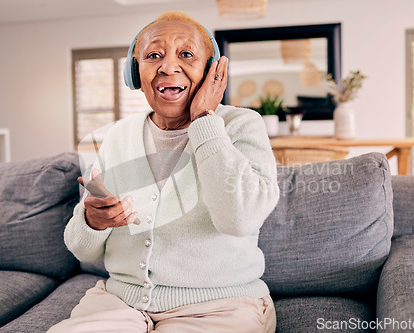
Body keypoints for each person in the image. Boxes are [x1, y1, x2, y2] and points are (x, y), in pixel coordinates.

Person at [48, 11, 279, 333]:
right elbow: (83, 249)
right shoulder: (116, 136)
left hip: (219, 307)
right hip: (119, 303)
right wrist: (93, 222)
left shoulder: (241, 124)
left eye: (186, 54)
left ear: (213, 71)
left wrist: (204, 121)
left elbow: (239, 218)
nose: (168, 67)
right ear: (135, 73)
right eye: (153, 55)